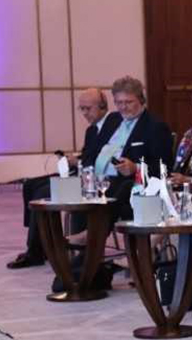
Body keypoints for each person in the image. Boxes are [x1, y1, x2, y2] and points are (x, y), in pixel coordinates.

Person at [9, 88, 121, 269]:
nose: (84, 113)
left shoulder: (115, 122)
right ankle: (37, 241)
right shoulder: (91, 130)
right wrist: (74, 160)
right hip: (83, 171)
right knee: (31, 185)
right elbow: (88, 155)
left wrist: (79, 162)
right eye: (81, 109)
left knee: (43, 192)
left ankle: (36, 251)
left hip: (97, 178)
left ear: (102, 106)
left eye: (88, 108)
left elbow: (105, 156)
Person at [96, 77, 174, 213]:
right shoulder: (111, 120)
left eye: (128, 102)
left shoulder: (155, 127)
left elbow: (163, 167)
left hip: (127, 183)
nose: (123, 107)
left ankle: (95, 225)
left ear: (141, 100)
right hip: (98, 180)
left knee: (109, 197)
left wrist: (135, 168)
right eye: (119, 102)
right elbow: (94, 151)